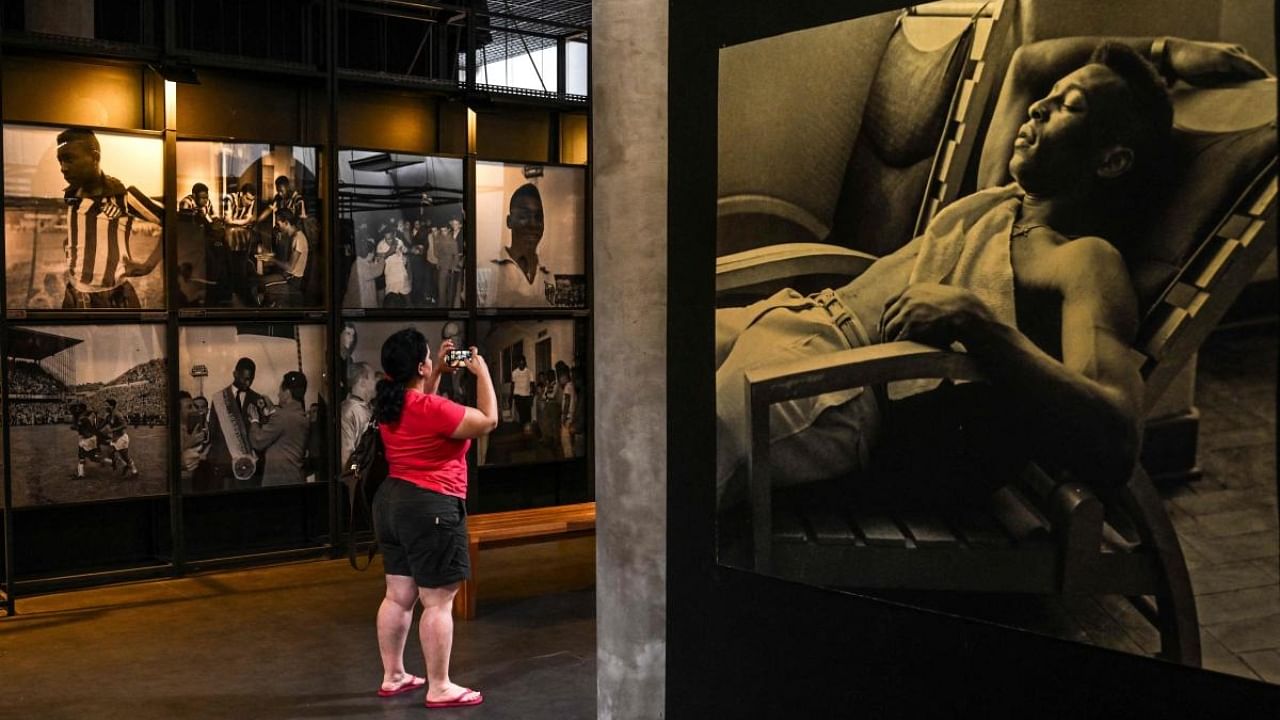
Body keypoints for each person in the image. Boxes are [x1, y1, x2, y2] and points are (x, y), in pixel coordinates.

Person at [715, 39, 1208, 506]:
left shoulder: (1082, 259)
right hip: (787, 317)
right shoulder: (998, 199)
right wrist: (1166, 51)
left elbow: (1117, 435)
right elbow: (1027, 64)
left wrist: (979, 324)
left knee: (667, 463)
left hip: (829, 381)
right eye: (1049, 98)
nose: (1038, 107)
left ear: (1112, 160)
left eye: (1069, 106)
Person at [371, 329, 497, 708]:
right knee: (438, 601)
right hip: (430, 505)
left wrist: (436, 371)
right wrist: (483, 372)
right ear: (421, 366)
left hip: (392, 502)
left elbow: (421, 403)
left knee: (398, 595)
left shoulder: (390, 403)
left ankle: (393, 675)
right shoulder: (431, 409)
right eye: (429, 357)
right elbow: (488, 420)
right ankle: (440, 686)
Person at [55, 127, 164, 309]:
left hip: (114, 297)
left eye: (69, 159)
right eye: (60, 160)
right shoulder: (71, 196)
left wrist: (149, 265)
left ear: (94, 158)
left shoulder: (123, 197)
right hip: (75, 295)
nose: (63, 168)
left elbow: (174, 224)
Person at [197, 357, 265, 491]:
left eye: (251, 379)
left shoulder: (257, 399)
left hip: (249, 463)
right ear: (235, 374)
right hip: (223, 462)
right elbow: (213, 430)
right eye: (244, 378)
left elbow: (260, 432)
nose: (247, 383)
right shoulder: (218, 398)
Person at [484, 185, 553, 306]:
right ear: (509, 221)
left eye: (538, 217)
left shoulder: (547, 274)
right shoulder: (488, 269)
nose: (533, 224)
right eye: (523, 216)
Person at [248, 371, 312, 487]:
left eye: (280, 390)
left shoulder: (282, 417)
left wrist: (254, 420)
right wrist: (272, 409)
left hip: (278, 483)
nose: (278, 394)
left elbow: (258, 441)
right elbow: (284, 428)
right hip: (295, 480)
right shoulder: (302, 417)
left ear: (287, 393)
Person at [260, 209, 309, 307]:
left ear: (286, 222)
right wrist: (271, 256)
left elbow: (290, 267)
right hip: (287, 276)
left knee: (261, 284)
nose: (277, 226)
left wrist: (272, 260)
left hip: (292, 280)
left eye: (278, 224)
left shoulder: (298, 239)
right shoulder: (292, 236)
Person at [341, 361, 376, 467]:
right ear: (363, 382)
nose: (376, 383)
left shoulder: (369, 409)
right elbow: (346, 456)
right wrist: (356, 476)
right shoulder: (348, 411)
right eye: (373, 378)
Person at [99, 398, 139, 477]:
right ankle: (125, 465)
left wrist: (113, 429)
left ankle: (134, 471)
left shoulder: (117, 414)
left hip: (121, 438)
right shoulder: (108, 416)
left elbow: (124, 425)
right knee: (110, 453)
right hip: (115, 438)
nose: (105, 407)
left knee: (125, 456)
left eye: (106, 405)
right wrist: (95, 430)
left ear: (112, 406)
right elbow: (102, 425)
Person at [379, 232, 412, 307]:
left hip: (402, 275)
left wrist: (405, 257)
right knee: (391, 302)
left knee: (408, 300)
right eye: (386, 239)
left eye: (390, 239)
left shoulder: (399, 241)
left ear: (394, 235)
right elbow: (378, 260)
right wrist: (389, 252)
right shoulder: (380, 245)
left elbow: (405, 252)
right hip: (391, 278)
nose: (388, 241)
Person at [510, 356, 534, 427]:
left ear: (525, 363)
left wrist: (532, 395)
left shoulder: (529, 372)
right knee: (521, 413)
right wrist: (511, 396)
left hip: (527, 395)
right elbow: (512, 385)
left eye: (522, 363)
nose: (521, 365)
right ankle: (523, 428)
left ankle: (527, 428)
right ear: (518, 363)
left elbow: (532, 384)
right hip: (518, 395)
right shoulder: (514, 372)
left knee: (528, 414)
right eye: (520, 363)